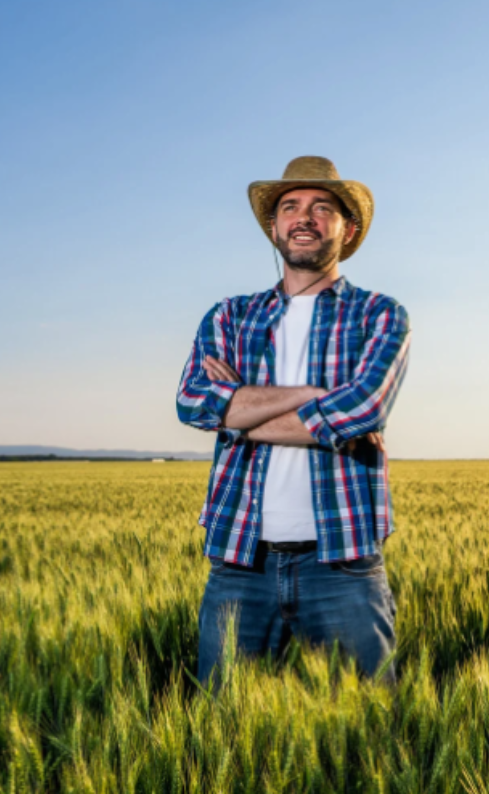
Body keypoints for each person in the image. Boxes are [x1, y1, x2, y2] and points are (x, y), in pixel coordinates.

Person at [176, 156, 411, 687]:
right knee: (223, 729)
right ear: (274, 228)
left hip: (344, 563)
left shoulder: (379, 314)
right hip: (240, 561)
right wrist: (314, 395)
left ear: (347, 230)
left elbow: (364, 409)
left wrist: (237, 412)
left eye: (321, 207)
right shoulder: (229, 316)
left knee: (370, 734)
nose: (303, 217)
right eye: (290, 207)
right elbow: (194, 404)